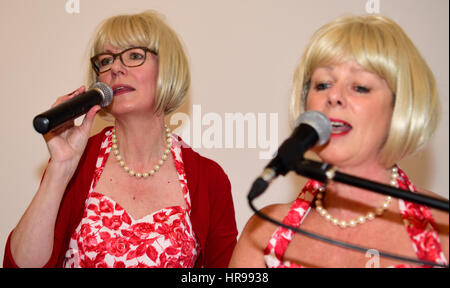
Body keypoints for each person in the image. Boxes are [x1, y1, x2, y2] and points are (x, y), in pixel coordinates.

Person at [4, 10, 237, 268]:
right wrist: (60, 168)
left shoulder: (209, 179)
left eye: (135, 56)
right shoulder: (77, 163)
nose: (115, 68)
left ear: (168, 69)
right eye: (105, 61)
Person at [229, 15, 449, 268]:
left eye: (360, 87)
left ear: (400, 107)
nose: (333, 96)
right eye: (322, 84)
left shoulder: (442, 229)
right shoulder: (264, 232)